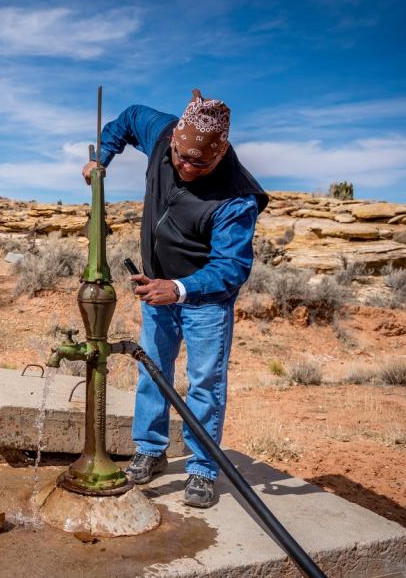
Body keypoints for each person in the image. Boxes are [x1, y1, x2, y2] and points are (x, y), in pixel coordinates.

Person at [81, 89, 268, 508]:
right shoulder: (165, 134)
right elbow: (128, 117)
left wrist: (179, 289)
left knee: (204, 383)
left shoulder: (236, 198)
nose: (184, 166)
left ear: (219, 154)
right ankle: (150, 450)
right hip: (157, 289)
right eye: (179, 156)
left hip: (206, 301)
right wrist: (102, 158)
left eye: (198, 162)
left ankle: (202, 469)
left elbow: (232, 268)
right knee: (153, 370)